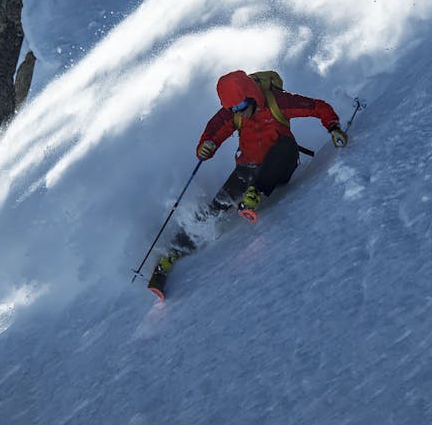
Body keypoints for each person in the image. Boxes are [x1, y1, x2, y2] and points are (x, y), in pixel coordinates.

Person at [147, 70, 348, 297]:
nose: (239, 112)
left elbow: (317, 107)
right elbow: (213, 131)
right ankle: (172, 255)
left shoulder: (278, 102)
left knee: (285, 147)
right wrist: (206, 146)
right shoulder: (234, 113)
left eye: (241, 106)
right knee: (217, 207)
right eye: (233, 109)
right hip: (247, 169)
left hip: (281, 164)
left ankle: (256, 194)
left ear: (252, 95)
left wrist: (333, 127)